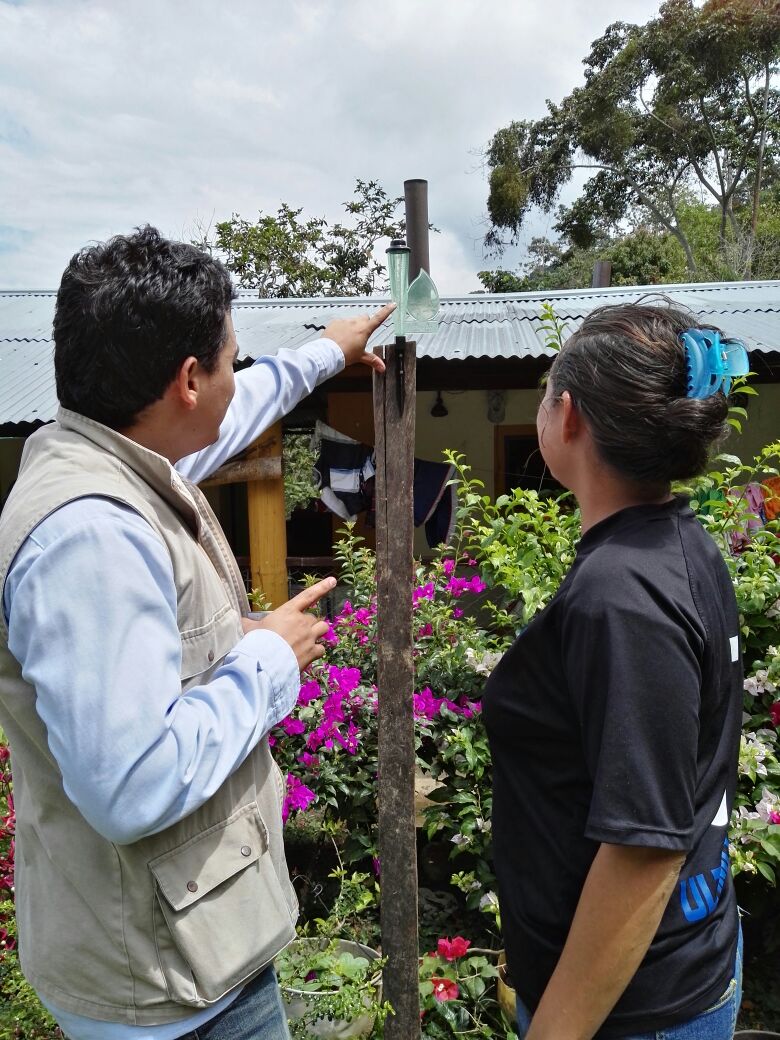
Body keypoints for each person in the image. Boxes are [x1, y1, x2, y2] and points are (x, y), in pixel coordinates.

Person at [0, 226, 392, 1040]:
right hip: (166, 989)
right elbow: (129, 785)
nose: (236, 375)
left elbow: (238, 406)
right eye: (228, 357)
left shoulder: (117, 447)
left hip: (181, 948)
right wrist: (265, 660)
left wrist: (328, 351)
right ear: (187, 379)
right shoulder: (90, 538)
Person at [483, 304, 746, 1040]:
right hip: (664, 973)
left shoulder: (621, 595)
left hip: (627, 1010)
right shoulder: (679, 545)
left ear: (566, 417)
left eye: (544, 393)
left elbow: (642, 848)